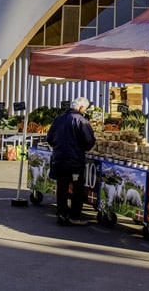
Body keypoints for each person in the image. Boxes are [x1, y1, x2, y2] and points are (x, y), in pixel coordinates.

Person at [46, 96, 95, 226]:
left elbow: (49, 138)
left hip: (59, 160)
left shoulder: (58, 119)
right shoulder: (82, 121)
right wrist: (82, 148)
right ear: (81, 108)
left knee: (62, 187)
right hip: (74, 162)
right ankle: (74, 216)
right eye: (85, 108)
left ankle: (61, 214)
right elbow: (89, 141)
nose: (85, 111)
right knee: (77, 188)